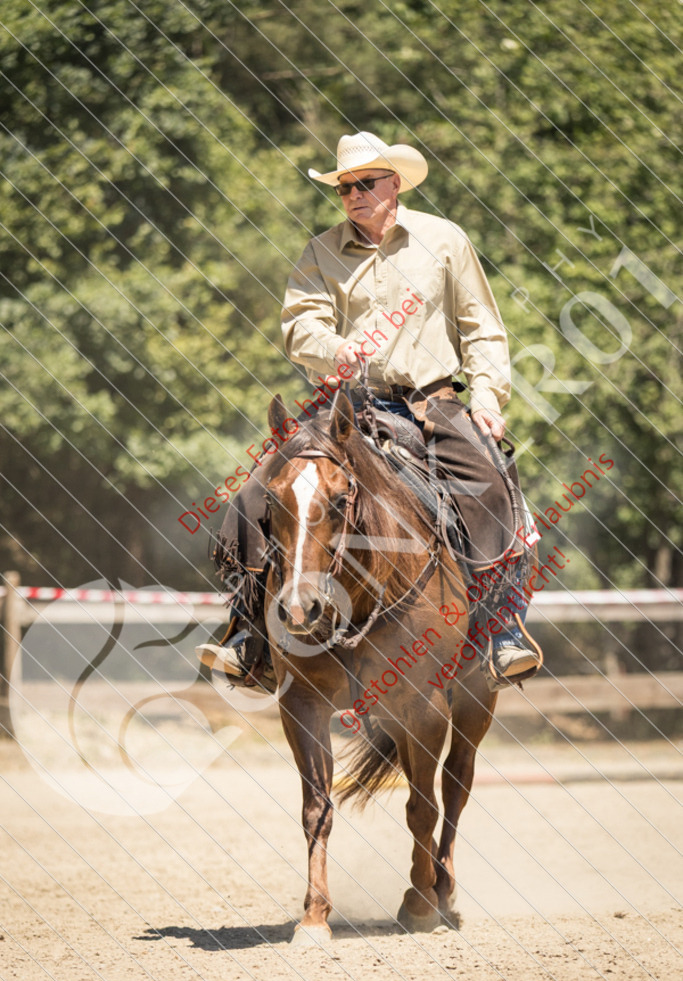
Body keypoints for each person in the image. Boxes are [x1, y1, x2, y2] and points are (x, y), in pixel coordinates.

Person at [196, 130, 541, 686]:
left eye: (365, 183)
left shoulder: (444, 240)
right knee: (254, 493)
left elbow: (481, 327)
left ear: (394, 183)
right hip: (344, 412)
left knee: (492, 486)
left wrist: (487, 398)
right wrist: (334, 349)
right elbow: (299, 325)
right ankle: (247, 636)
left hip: (432, 403)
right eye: (344, 187)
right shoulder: (320, 251)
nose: (354, 194)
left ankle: (500, 631)